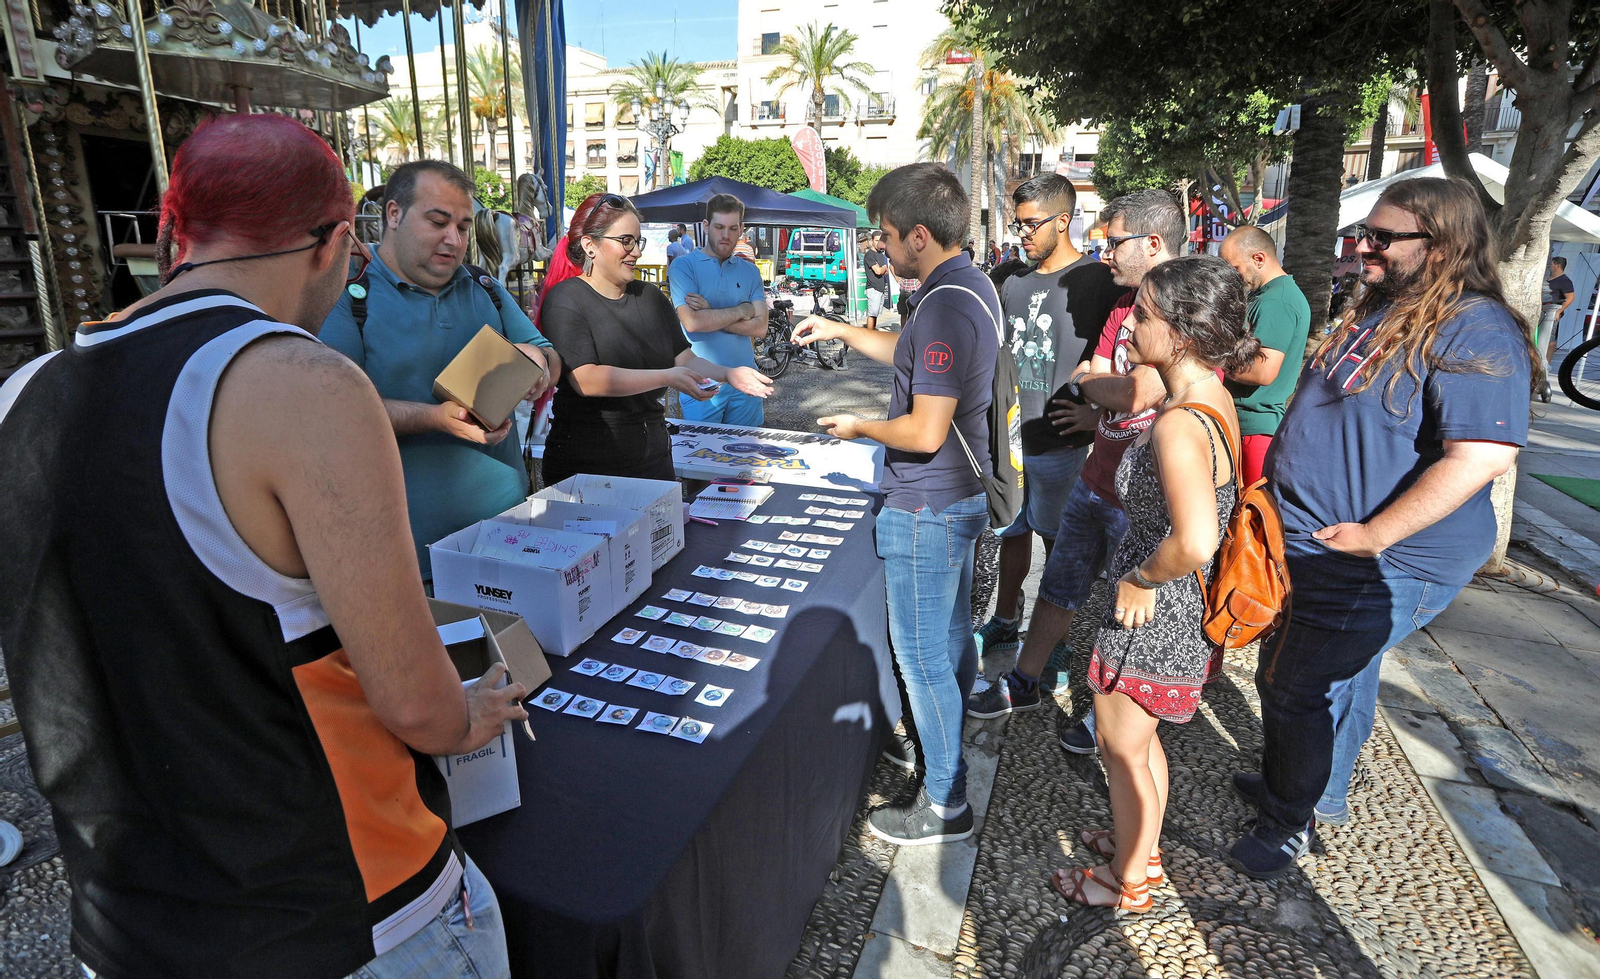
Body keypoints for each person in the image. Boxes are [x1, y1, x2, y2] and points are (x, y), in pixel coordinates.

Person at [0, 114, 528, 979]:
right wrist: (468, 712)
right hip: (338, 912)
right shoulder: (305, 383)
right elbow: (413, 700)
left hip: (125, 921)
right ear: (337, 242)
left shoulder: (21, 393)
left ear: (175, 236)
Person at [1229, 177, 1535, 878]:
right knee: (1327, 675)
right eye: (1360, 233)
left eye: (1381, 237)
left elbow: (1484, 454)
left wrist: (1374, 535)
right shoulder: (1387, 306)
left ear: (1441, 245)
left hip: (1385, 559)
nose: (1361, 245)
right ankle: (1299, 786)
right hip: (1316, 541)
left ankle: (1287, 823)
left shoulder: (1473, 324)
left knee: (1295, 683)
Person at [792, 163, 998, 845]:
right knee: (945, 641)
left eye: (883, 236)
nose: (879, 248)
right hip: (956, 499)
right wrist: (842, 330)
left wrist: (857, 427)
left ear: (918, 234)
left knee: (923, 656)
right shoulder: (968, 286)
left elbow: (924, 428)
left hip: (926, 507)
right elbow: (915, 358)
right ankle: (939, 749)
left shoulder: (941, 304)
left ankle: (943, 800)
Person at [1051, 255, 1257, 913]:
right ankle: (1140, 849)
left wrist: (1139, 579)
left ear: (1187, 333)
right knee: (1139, 747)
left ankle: (1126, 881)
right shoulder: (1209, 396)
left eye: (1144, 315)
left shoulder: (1177, 421)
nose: (1130, 326)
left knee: (1119, 747)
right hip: (1175, 603)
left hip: (1155, 603)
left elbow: (1194, 539)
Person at [968, 189, 1185, 749]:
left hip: (1142, 487)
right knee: (1062, 584)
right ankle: (1025, 680)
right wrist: (1100, 398)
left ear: (1152, 242)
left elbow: (1138, 389)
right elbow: (1119, 378)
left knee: (1131, 602)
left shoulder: (1180, 303)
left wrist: (1093, 390)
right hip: (1097, 474)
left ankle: (1114, 715)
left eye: (1113, 242)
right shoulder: (1122, 301)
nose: (1105, 252)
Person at [321, 160, 560, 582]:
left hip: (511, 534)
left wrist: (534, 365)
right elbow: (335, 410)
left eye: (465, 227)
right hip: (412, 559)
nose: (454, 239)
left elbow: (547, 355)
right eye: (438, 222)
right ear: (393, 214)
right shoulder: (348, 295)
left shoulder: (483, 284)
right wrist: (432, 417)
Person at [966, 173, 1123, 711]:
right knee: (1012, 531)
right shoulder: (1012, 281)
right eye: (1018, 223)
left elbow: (1123, 354)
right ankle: (1005, 622)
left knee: (1062, 547)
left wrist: (1095, 411)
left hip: (1062, 445)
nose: (1023, 234)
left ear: (1064, 220)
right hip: (1013, 436)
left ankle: (1050, 647)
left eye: (1032, 224)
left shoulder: (1099, 281)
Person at [540, 193, 772, 484]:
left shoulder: (649, 297)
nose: (636, 252)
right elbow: (587, 379)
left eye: (638, 242)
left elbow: (684, 358)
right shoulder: (566, 299)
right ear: (590, 246)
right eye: (626, 241)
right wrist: (668, 377)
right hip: (590, 464)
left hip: (653, 461)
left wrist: (729, 373)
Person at [1218, 225, 1311, 485]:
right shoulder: (1269, 296)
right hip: (1246, 428)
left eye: (1235, 268)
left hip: (1254, 431)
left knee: (1247, 517)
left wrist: (1210, 361)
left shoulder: (1277, 301)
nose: (1233, 277)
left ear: (1258, 259)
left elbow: (1262, 371)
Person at [668, 193, 770, 425]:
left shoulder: (750, 271)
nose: (726, 235)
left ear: (742, 228)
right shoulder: (684, 266)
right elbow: (693, 322)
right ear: (706, 226)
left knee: (747, 454)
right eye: (719, 227)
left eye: (733, 228)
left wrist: (711, 311)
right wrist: (742, 311)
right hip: (701, 379)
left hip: (747, 377)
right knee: (702, 454)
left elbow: (761, 327)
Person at [1537, 255, 1575, 401]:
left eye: (1551, 264)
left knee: (1550, 338)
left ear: (1557, 265)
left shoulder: (1565, 281)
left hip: (1552, 310)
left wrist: (1559, 311)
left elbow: (1570, 297)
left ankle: (1545, 363)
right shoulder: (1548, 278)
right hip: (1541, 309)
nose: (1550, 267)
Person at [864, 230, 892, 330]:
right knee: (872, 314)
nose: (878, 243)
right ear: (872, 241)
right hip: (873, 288)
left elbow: (886, 271)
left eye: (880, 240)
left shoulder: (881, 255)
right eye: (876, 240)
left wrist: (883, 268)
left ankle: (873, 332)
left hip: (880, 288)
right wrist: (883, 268)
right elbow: (879, 271)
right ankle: (869, 335)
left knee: (876, 314)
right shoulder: (869, 255)